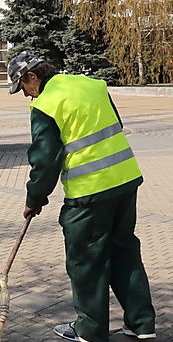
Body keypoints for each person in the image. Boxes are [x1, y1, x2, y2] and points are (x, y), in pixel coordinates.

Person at [9, 51, 156, 342]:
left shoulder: (46, 105)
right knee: (124, 252)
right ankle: (142, 325)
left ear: (32, 77)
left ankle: (89, 330)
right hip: (126, 182)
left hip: (89, 194)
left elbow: (45, 160)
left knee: (87, 262)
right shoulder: (92, 85)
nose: (25, 95)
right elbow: (114, 125)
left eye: (23, 87)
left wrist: (34, 199)